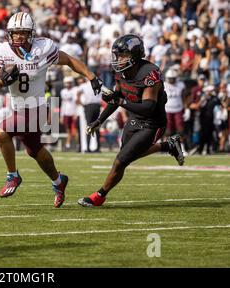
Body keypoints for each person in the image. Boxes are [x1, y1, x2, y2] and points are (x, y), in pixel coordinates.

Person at [0, 12, 102, 208]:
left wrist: (91, 77)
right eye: (15, 33)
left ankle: (12, 176)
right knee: (35, 151)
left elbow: (70, 60)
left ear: (31, 34)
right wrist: (3, 80)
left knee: (1, 133)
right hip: (18, 109)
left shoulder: (44, 48)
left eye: (23, 33)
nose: (18, 37)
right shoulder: (2, 51)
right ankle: (58, 181)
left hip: (37, 108)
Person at [78, 34, 185, 207]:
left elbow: (148, 107)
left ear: (134, 55)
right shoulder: (121, 72)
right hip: (135, 119)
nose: (118, 59)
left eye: (122, 55)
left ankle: (99, 196)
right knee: (127, 156)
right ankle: (168, 146)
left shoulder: (149, 73)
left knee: (121, 160)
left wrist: (121, 102)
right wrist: (99, 120)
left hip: (152, 123)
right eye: (117, 55)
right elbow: (116, 97)